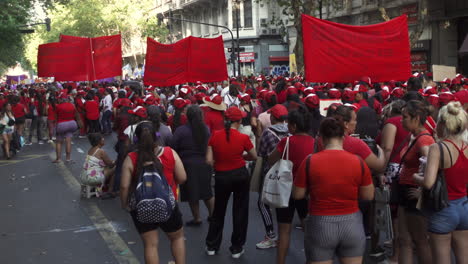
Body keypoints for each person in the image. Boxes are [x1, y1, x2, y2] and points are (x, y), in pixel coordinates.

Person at [293, 117, 375, 264]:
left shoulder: (310, 161)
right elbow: (368, 195)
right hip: (352, 223)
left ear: (321, 137)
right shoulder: (358, 161)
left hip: (320, 223)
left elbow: (297, 194)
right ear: (343, 136)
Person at [120, 122, 186, 264]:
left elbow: (124, 186)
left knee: (150, 244)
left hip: (141, 206)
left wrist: (124, 204)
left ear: (136, 139)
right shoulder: (169, 153)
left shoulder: (131, 158)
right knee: (177, 237)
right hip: (168, 204)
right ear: (157, 136)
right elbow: (182, 177)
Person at [413, 101, 468, 264]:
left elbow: (428, 183)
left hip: (443, 208)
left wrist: (416, 177)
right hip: (464, 207)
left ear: (442, 124)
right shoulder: (466, 146)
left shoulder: (438, 148)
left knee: (442, 259)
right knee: (464, 258)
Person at [205, 106, 257, 258]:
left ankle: (212, 245)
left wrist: (219, 162)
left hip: (221, 176)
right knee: (240, 211)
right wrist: (241, 158)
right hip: (240, 174)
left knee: (218, 211)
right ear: (240, 120)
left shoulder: (215, 135)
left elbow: (208, 160)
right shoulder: (243, 137)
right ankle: (236, 247)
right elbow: (254, 156)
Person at [268, 107, 314, 264]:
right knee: (309, 230)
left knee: (284, 230)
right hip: (307, 190)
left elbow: (271, 159)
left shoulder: (286, 142)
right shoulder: (315, 143)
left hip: (285, 189)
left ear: (293, 126)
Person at [397, 100, 434, 264]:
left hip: (414, 192)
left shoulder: (423, 140)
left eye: (404, 117)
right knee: (404, 240)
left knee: (420, 241)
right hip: (405, 190)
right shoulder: (415, 136)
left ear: (416, 118)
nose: (401, 120)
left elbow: (433, 166)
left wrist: (423, 190)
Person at [171, 105, 214, 226]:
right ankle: (212, 215)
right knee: (207, 192)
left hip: (187, 165)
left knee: (192, 193)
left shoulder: (181, 130)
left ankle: (197, 218)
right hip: (204, 163)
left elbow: (173, 146)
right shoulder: (205, 129)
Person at [255, 104, 289, 249]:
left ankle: (270, 234)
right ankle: (283, 237)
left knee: (263, 202)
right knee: (285, 204)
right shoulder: (291, 130)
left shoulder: (268, 133)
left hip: (271, 173)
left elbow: (261, 153)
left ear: (273, 117)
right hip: (289, 172)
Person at [83, 133, 116, 199]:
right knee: (115, 169)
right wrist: (116, 161)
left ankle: (101, 186)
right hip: (93, 178)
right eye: (102, 138)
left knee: (106, 168)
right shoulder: (101, 151)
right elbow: (110, 164)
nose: (104, 139)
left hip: (85, 175)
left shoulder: (91, 149)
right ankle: (110, 191)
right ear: (99, 141)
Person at [53, 92, 79, 163]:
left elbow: (55, 117)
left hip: (61, 124)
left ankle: (58, 159)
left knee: (59, 142)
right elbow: (75, 115)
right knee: (68, 141)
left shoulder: (58, 106)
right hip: (72, 123)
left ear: (61, 99)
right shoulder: (72, 105)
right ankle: (68, 158)